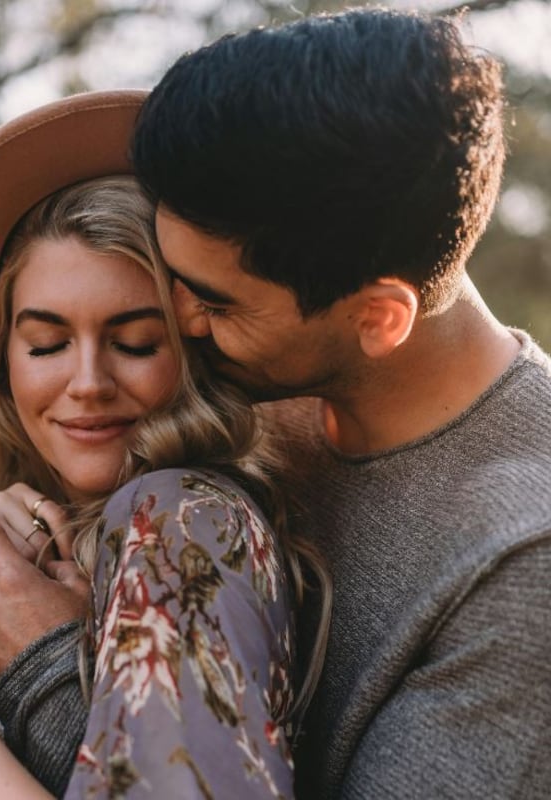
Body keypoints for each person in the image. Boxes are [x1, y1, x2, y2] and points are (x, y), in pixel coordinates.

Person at [126, 7, 551, 800]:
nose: (179, 320)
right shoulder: (257, 397)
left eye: (218, 305)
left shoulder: (526, 570)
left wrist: (21, 677)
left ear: (379, 317)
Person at [0, 91, 328, 798]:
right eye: (48, 343)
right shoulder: (30, 524)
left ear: (190, 348)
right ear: (7, 357)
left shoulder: (189, 522)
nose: (88, 382)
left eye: (133, 342)